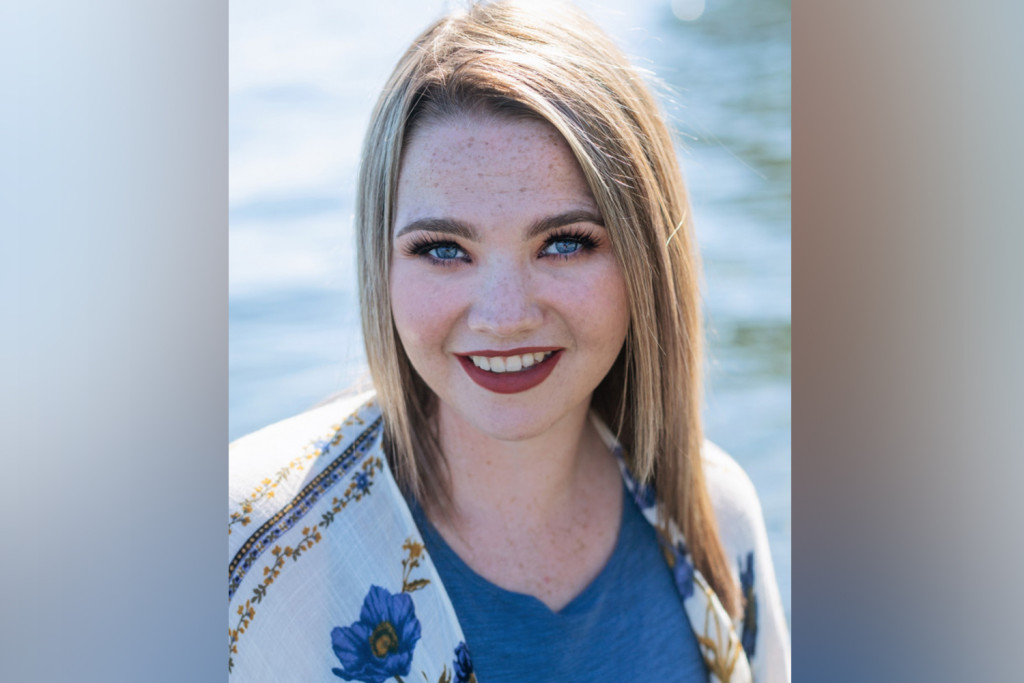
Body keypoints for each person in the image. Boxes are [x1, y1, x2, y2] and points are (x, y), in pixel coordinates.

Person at [228, 2, 790, 681]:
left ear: (645, 259)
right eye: (442, 248)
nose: (503, 315)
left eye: (564, 242)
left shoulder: (718, 518)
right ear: (382, 263)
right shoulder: (241, 548)